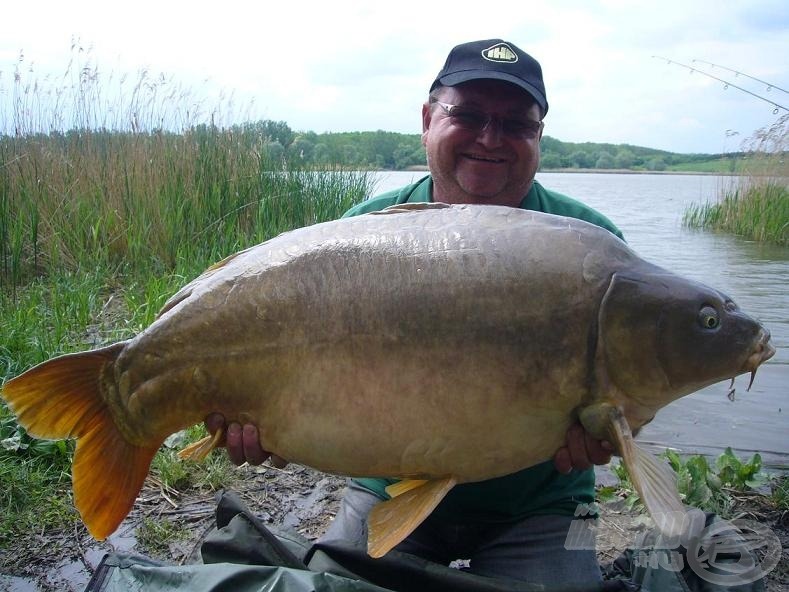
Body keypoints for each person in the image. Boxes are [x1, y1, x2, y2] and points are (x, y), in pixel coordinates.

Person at [206, 39, 623, 587]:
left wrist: (612, 431)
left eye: (516, 124)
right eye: (467, 115)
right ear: (428, 120)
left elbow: (631, 393)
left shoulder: (592, 247)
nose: (490, 138)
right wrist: (275, 429)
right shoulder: (363, 231)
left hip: (544, 503)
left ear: (538, 136)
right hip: (386, 487)